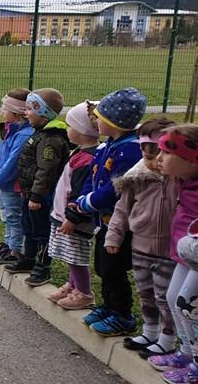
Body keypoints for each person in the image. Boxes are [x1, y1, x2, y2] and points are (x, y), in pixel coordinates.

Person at [104, 118, 179, 356]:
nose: (154, 163)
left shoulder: (179, 180)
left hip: (169, 251)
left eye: (159, 155)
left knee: (164, 296)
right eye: (147, 157)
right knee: (145, 293)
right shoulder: (136, 178)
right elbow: (122, 210)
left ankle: (167, 339)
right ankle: (150, 331)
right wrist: (114, 236)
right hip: (140, 248)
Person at [75, 88, 147, 336]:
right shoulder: (107, 146)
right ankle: (108, 306)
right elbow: (93, 174)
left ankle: (122, 314)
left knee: (113, 268)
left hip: (119, 224)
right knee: (102, 266)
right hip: (103, 221)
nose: (95, 121)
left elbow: (117, 187)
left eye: (99, 117)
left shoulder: (130, 151)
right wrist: (84, 197)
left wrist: (91, 202)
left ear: (114, 122)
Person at [147, 124, 198, 384]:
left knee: (186, 306)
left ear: (192, 160)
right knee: (173, 298)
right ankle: (188, 352)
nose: (158, 159)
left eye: (167, 153)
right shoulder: (184, 178)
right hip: (187, 254)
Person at [4, 88, 70, 286]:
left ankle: (43, 267)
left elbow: (46, 170)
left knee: (42, 231)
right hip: (29, 193)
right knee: (29, 227)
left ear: (43, 113)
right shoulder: (39, 133)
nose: (26, 113)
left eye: (30, 109)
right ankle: (29, 258)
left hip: (41, 195)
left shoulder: (50, 140)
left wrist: (36, 196)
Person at [44, 101, 100, 308]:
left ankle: (84, 293)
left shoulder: (87, 159)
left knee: (76, 258)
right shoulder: (80, 152)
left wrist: (72, 218)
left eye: (70, 126)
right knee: (70, 256)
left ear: (83, 131)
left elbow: (80, 193)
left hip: (75, 220)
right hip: (64, 215)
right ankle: (72, 285)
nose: (67, 130)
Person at [0, 88, 34, 265]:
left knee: (14, 218)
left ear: (17, 112)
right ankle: (8, 246)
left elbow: (13, 163)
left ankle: (15, 251)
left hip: (14, 186)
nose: (2, 111)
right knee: (6, 216)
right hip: (4, 184)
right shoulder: (9, 130)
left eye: (5, 108)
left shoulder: (24, 135)